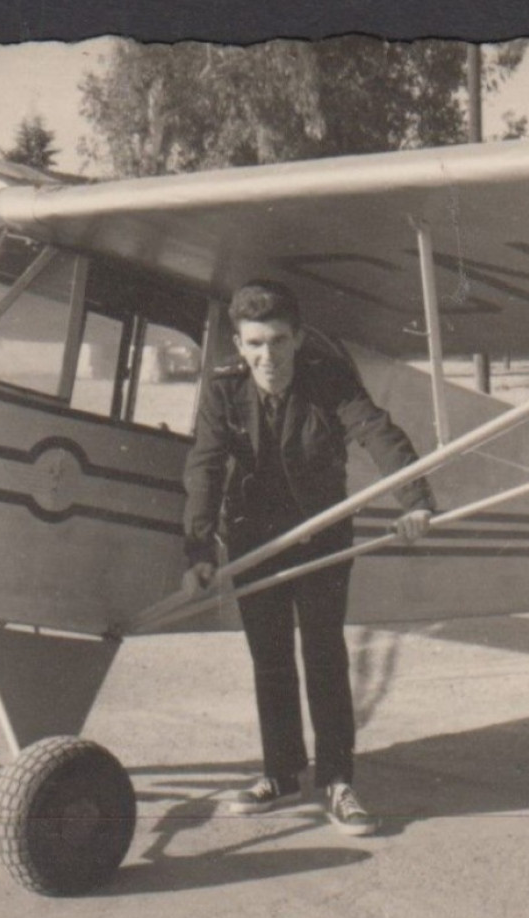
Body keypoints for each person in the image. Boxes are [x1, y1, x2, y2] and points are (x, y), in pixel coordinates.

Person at [181, 280, 437, 836]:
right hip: (254, 540)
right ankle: (280, 773)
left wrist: (414, 500)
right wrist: (198, 548)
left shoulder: (329, 381)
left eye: (277, 341)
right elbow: (204, 467)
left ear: (297, 339)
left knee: (323, 655)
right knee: (269, 659)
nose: (266, 357)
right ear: (238, 344)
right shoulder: (224, 390)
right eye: (253, 344)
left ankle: (338, 780)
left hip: (320, 538)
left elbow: (377, 432)